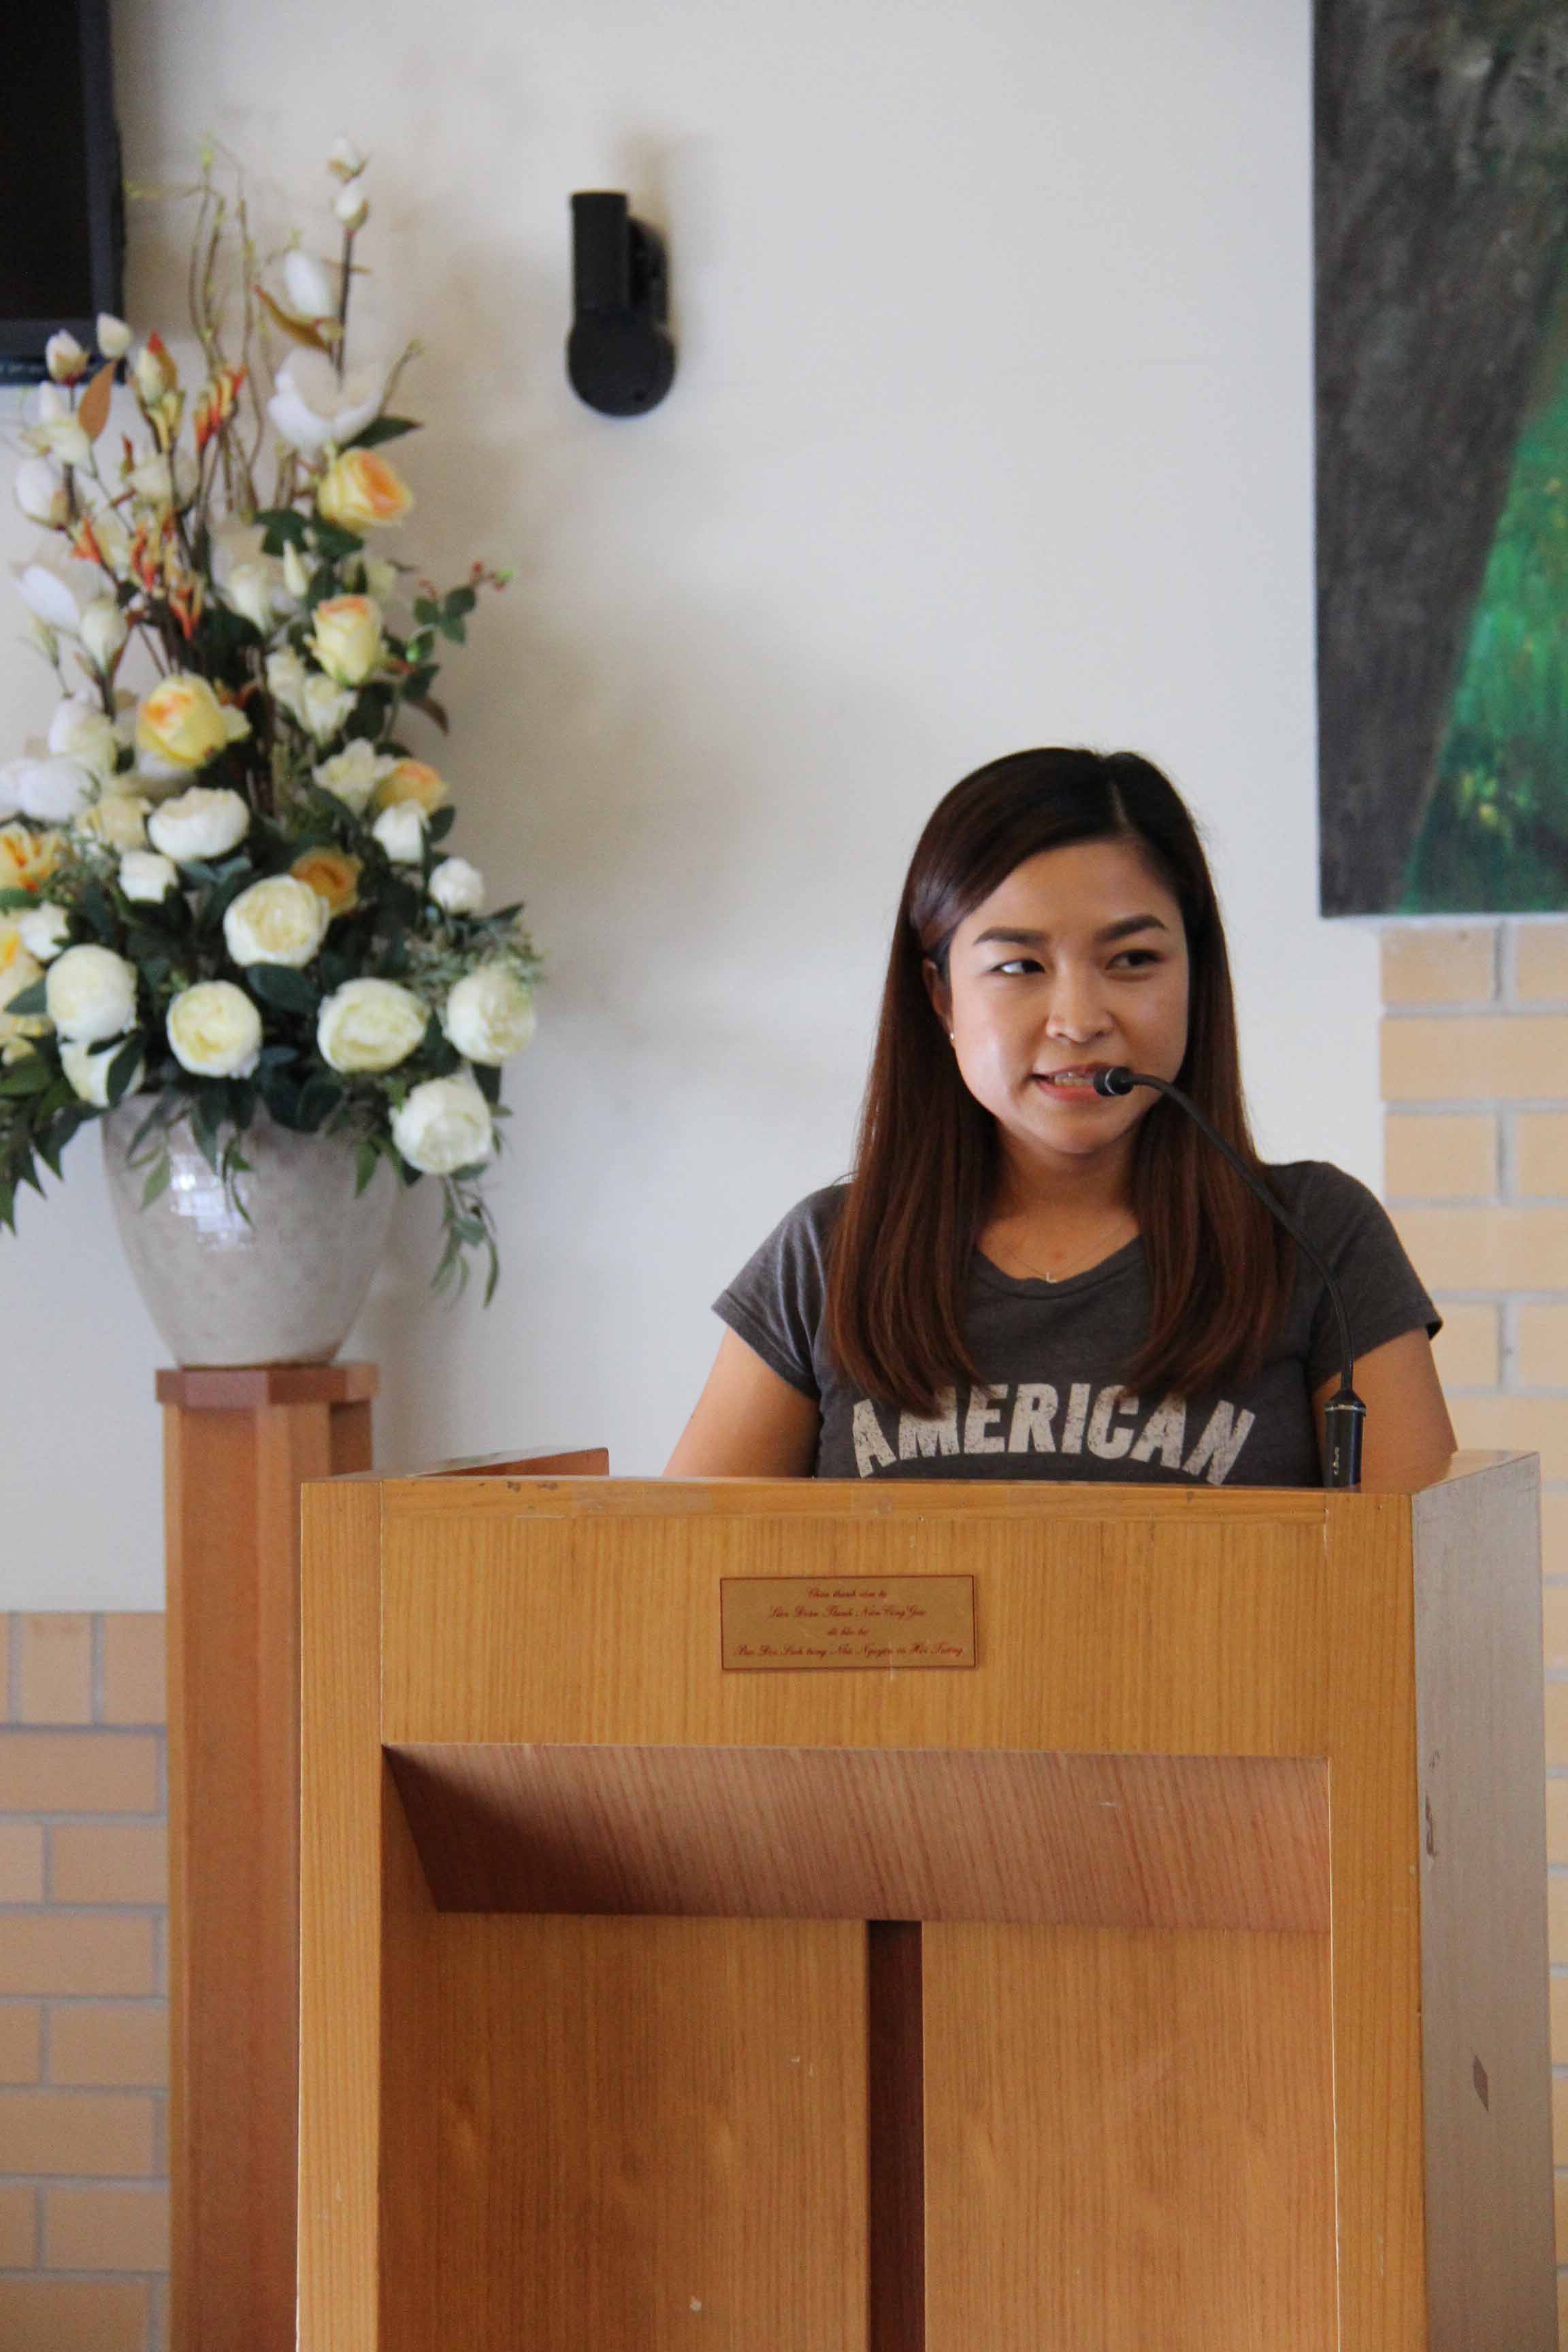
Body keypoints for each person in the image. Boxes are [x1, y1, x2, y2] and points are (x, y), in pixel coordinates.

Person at [666, 747, 1454, 1487]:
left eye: (1132, 960)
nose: (1078, 1020)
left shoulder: (1320, 1242)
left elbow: (1424, 1572)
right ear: (941, 996)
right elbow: (684, 1564)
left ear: (1196, 975)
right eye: (1020, 966)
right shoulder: (828, 1256)